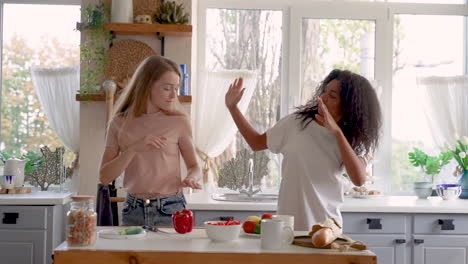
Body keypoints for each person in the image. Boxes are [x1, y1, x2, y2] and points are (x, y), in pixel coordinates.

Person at [225, 69, 382, 231]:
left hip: (326, 228)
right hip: (287, 227)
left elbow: (359, 179)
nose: (323, 98)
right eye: (324, 92)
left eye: (333, 96)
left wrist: (336, 132)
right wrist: (233, 108)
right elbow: (256, 143)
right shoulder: (296, 123)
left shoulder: (351, 137)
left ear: (349, 106)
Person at [99, 55, 202, 226]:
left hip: (171, 209)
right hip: (133, 210)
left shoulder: (180, 121)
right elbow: (104, 176)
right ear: (147, 86)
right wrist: (133, 148)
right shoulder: (119, 123)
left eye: (176, 89)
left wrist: (192, 177)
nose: (173, 95)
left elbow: (194, 166)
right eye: (167, 88)